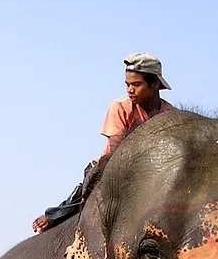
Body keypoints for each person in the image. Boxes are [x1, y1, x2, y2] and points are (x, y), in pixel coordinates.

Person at [31, 53, 175, 233]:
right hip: (113, 167)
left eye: (136, 84)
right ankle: (55, 216)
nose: (130, 90)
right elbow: (117, 151)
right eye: (127, 84)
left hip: (153, 171)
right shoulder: (121, 107)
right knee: (86, 196)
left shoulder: (169, 115)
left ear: (154, 84)